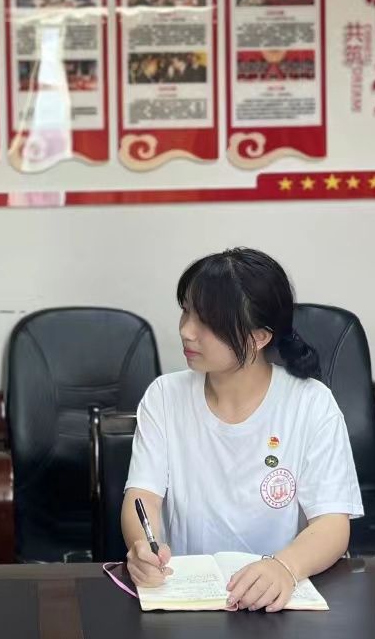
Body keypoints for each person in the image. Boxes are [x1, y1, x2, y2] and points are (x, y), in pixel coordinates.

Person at [122, 248, 362, 612]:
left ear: (259, 337)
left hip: (278, 603)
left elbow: (332, 523)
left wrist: (285, 567)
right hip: (189, 599)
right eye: (186, 311)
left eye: (207, 322)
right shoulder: (164, 396)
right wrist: (142, 546)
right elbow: (143, 497)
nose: (186, 330)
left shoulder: (311, 403)